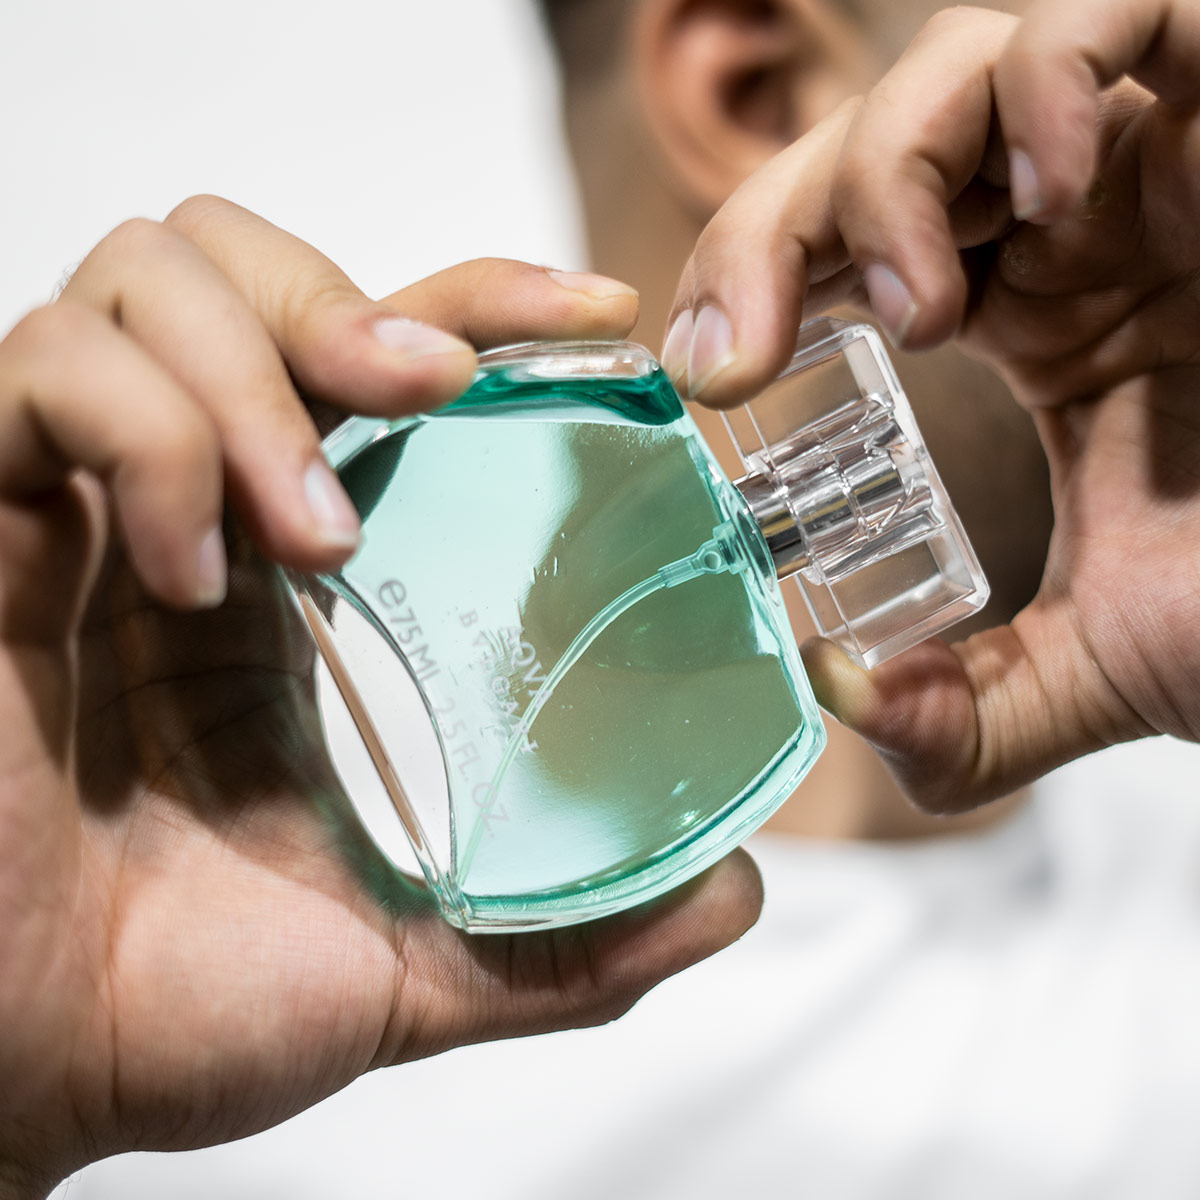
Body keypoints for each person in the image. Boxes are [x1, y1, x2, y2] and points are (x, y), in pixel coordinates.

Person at [4, 0, 1200, 1197]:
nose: (1147, 101)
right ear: (753, 82)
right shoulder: (178, 991)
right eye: (1089, 57)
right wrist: (27, 1084)